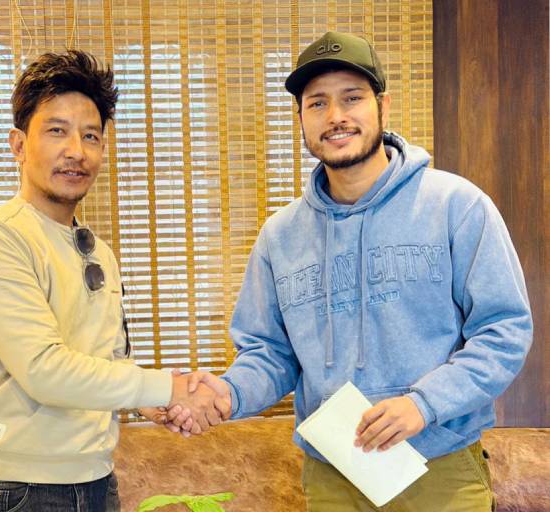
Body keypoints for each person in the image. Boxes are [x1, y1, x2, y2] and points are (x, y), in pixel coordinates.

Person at [168, 31, 533, 511]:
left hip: (439, 469)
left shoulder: (456, 206)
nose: (335, 116)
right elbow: (271, 354)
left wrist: (423, 404)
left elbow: (504, 331)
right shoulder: (280, 236)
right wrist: (227, 393)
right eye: (317, 103)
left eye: (352, 98)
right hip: (333, 478)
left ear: (383, 106)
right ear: (301, 118)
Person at [0, 50, 225, 512]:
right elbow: (44, 370)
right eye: (57, 131)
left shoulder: (99, 252)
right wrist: (168, 388)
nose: (76, 150)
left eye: (90, 135)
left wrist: (151, 405)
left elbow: (108, 360)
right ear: (18, 144)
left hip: (95, 481)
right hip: (10, 489)